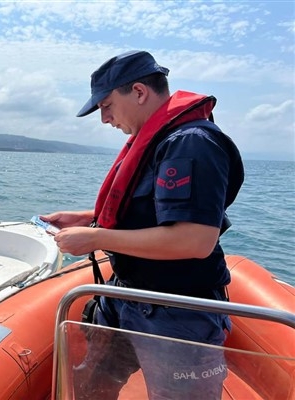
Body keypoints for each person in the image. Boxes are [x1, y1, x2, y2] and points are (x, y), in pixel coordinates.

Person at [41, 50, 244, 399]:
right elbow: (151, 211)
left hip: (176, 313)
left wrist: (96, 237)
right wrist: (89, 217)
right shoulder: (159, 141)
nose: (104, 119)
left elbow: (194, 240)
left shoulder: (191, 143)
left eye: (106, 105)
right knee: (90, 388)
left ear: (138, 92)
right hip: (125, 298)